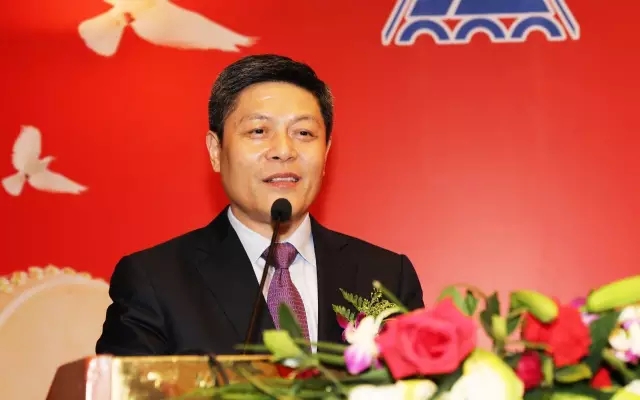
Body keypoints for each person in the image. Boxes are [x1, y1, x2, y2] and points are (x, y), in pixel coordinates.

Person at [95, 54, 424, 356]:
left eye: (304, 133)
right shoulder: (156, 282)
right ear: (215, 150)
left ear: (325, 153)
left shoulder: (386, 276)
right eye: (258, 130)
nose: (283, 150)